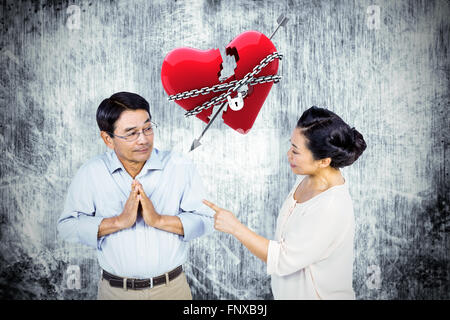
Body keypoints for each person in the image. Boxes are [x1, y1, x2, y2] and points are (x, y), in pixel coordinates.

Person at [57, 92, 214, 300]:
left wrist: (159, 220)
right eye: (131, 133)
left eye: (147, 128)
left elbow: (208, 220)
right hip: (115, 292)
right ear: (108, 139)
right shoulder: (91, 172)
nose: (143, 139)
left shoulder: (179, 167)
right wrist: (118, 222)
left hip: (172, 290)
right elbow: (66, 227)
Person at [204, 106, 367, 299]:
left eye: (296, 151)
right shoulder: (307, 178)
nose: (288, 154)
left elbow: (282, 260)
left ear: (323, 161)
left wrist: (235, 227)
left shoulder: (330, 207)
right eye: (291, 145)